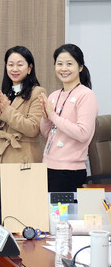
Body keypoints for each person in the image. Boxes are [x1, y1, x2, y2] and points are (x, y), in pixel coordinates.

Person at [39, 44, 98, 192]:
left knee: (61, 209)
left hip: (70, 172)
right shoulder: (54, 95)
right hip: (47, 166)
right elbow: (47, 134)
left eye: (69, 64)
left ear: (80, 67)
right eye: (59, 64)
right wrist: (46, 118)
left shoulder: (86, 95)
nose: (63, 68)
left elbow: (83, 133)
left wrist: (53, 115)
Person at [0, 46, 46, 176]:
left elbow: (33, 128)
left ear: (30, 68)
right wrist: (0, 116)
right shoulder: (4, 93)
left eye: (20, 65)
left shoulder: (37, 92)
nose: (14, 69)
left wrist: (6, 111)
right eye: (10, 65)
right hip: (0, 157)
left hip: (23, 158)